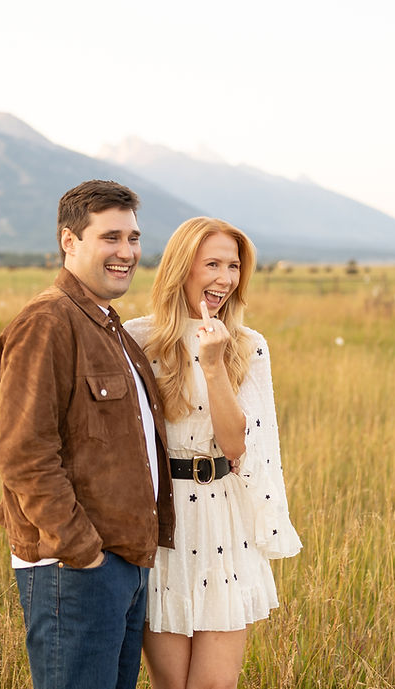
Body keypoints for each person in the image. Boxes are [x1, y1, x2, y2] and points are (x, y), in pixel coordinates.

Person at [0, 179, 175, 689]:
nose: (127, 252)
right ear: (69, 242)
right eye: (110, 237)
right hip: (74, 570)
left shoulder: (106, 323)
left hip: (121, 565)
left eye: (134, 238)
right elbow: (23, 453)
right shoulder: (48, 322)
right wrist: (84, 552)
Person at [124, 217, 302, 689]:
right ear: (183, 268)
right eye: (213, 264)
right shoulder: (137, 339)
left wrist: (214, 363)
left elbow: (237, 444)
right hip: (163, 523)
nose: (225, 278)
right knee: (169, 684)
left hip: (225, 522)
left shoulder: (248, 346)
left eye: (234, 266)